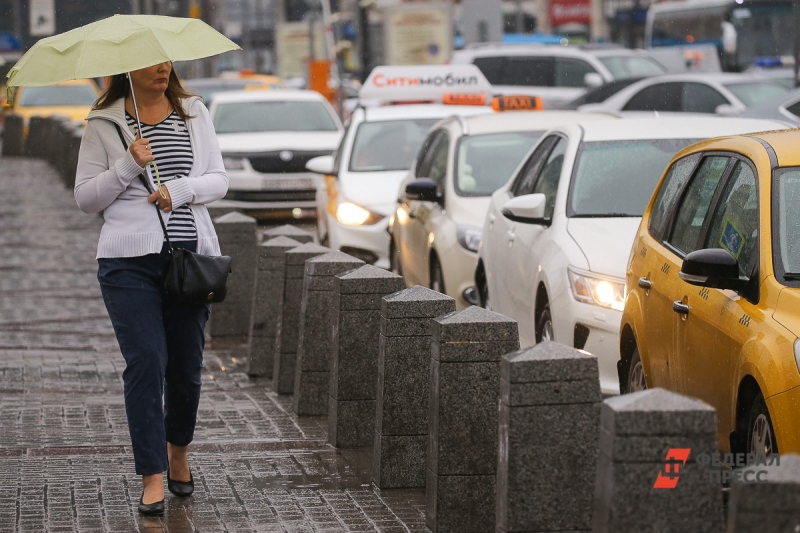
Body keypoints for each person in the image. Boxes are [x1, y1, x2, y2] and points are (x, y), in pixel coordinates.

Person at [74, 61, 228, 515]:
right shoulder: (104, 123)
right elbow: (85, 198)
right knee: (146, 362)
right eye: (151, 62)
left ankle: (177, 450)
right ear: (127, 69)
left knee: (185, 366)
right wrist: (127, 166)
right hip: (126, 262)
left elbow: (218, 179)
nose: (162, 68)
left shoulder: (193, 112)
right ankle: (153, 474)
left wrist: (177, 191)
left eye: (167, 61)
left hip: (187, 260)